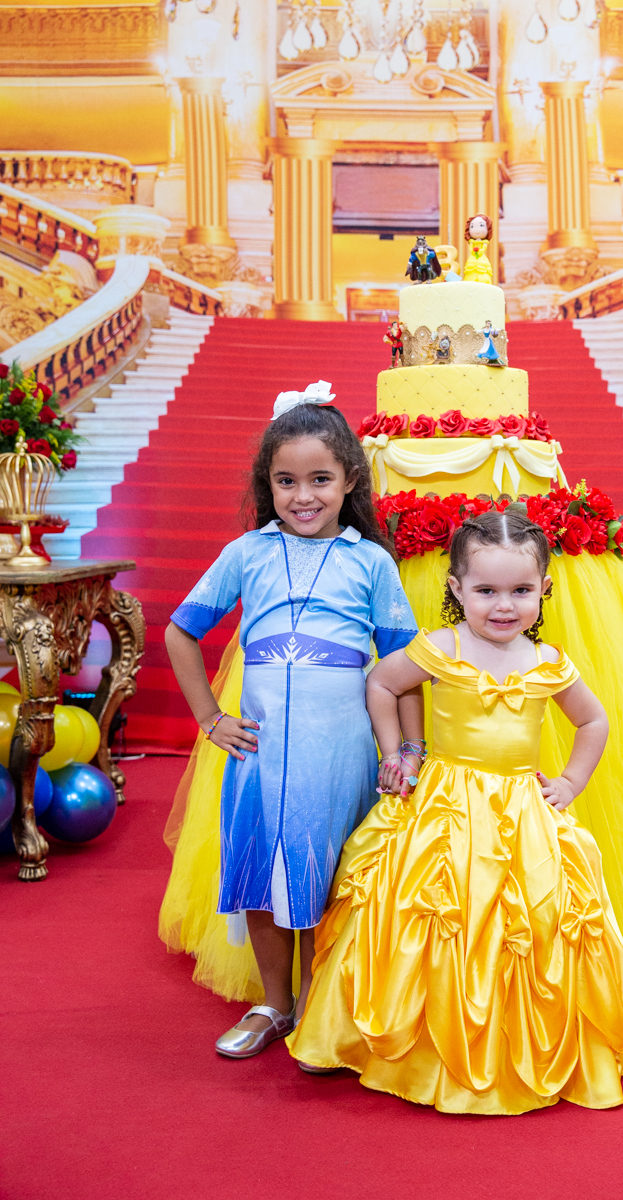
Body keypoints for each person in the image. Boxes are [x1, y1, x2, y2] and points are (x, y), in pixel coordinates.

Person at [288, 510, 623, 1113]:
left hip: (520, 811)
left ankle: (507, 1043)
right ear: (457, 588)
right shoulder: (441, 648)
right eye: (487, 591)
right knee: (423, 912)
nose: (504, 606)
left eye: (520, 590)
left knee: (526, 922)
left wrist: (571, 782)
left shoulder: (548, 662)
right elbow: (382, 683)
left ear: (544, 589)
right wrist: (398, 752)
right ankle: (385, 1038)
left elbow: (594, 720)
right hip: (443, 804)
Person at [164, 381, 420, 1059]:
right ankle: (275, 1004)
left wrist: (410, 749)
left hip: (342, 756)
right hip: (259, 756)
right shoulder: (246, 554)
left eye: (319, 480)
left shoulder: (371, 562)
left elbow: (404, 667)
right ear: (267, 484)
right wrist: (210, 717)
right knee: (260, 875)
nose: (303, 496)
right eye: (286, 482)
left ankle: (321, 1010)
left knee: (329, 876)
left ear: (350, 480)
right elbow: (181, 632)